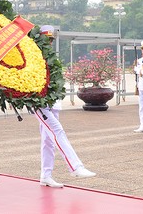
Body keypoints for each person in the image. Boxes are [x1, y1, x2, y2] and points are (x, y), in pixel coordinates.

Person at [37, 25, 96, 188]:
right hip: (40, 103)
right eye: (46, 39)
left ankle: (45, 175)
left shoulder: (50, 57)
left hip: (52, 103)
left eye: (50, 40)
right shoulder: (34, 57)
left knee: (48, 141)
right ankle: (76, 167)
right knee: (57, 131)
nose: (48, 43)